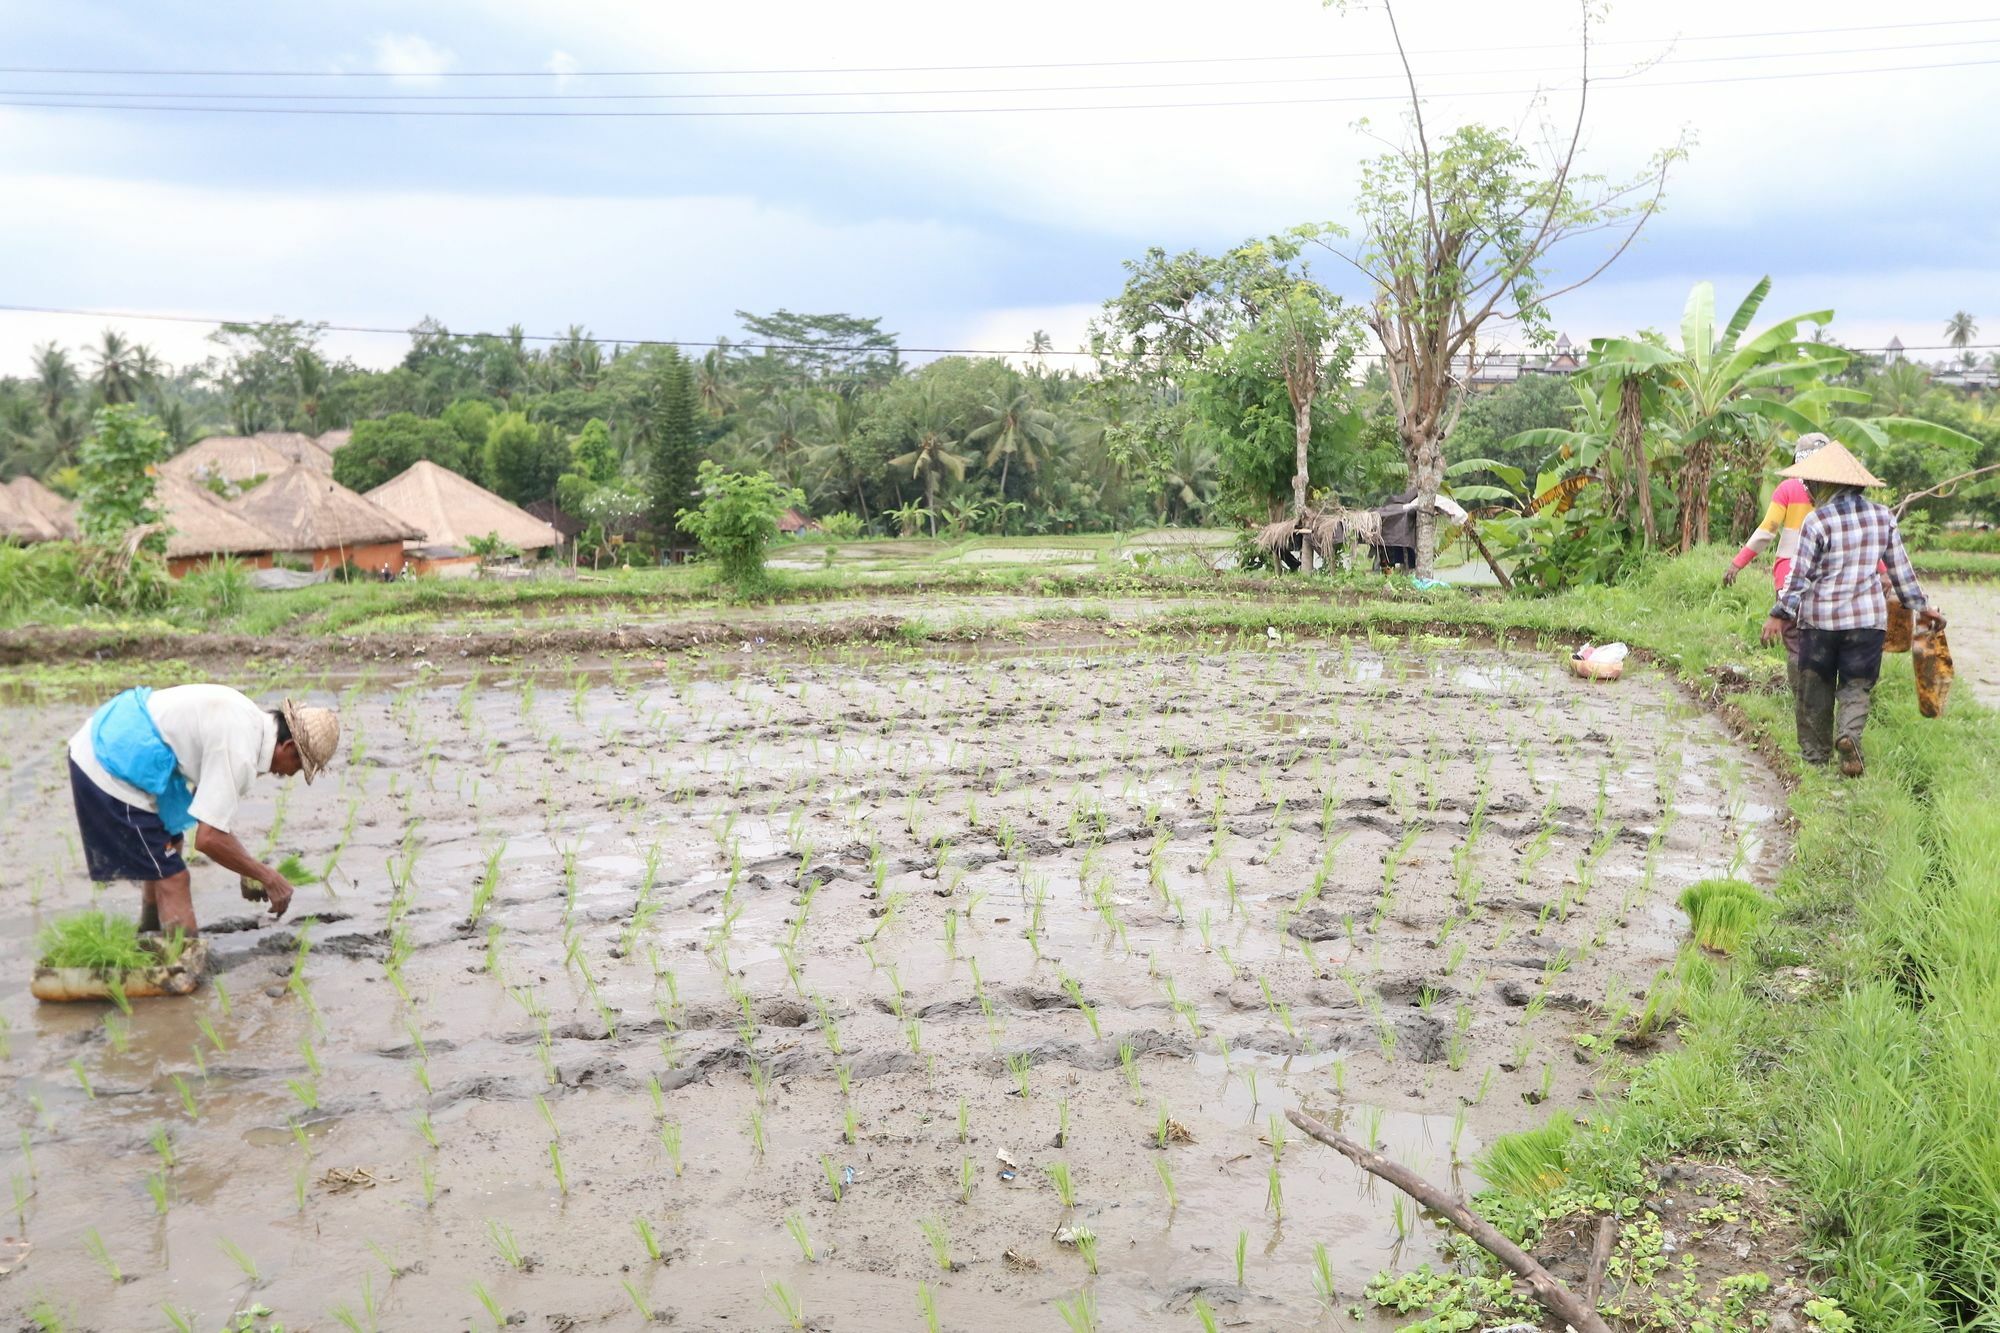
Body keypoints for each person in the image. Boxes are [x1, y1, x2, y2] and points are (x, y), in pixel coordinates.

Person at [67, 686, 341, 934]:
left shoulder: (247, 720)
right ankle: (181, 967)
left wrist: (247, 869)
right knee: (174, 876)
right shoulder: (240, 751)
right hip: (110, 758)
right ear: (288, 746)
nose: (291, 774)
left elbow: (209, 814)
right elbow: (208, 838)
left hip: (123, 733)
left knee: (168, 845)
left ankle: (148, 932)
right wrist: (267, 876)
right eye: (298, 765)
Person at [1760, 441, 1943, 776]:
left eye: (1812, 485)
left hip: (1820, 622)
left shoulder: (1817, 521)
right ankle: (1848, 735)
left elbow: (1799, 576)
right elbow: (1901, 570)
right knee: (1857, 684)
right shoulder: (1882, 517)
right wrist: (1923, 607)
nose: (1810, 490)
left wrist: (1779, 613)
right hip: (1867, 622)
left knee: (1816, 686)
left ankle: (1816, 758)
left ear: (1825, 484)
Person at [1727, 432, 1830, 740]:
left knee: (1796, 641)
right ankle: (1822, 706)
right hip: (1827, 578)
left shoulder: (1788, 488)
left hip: (1789, 578)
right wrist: (1883, 574)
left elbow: (1768, 529)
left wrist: (1738, 561)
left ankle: (1803, 706)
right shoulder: (1838, 493)